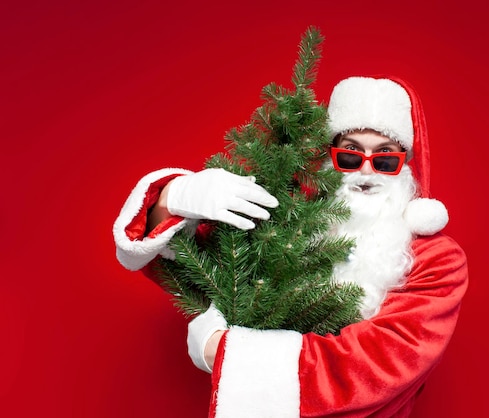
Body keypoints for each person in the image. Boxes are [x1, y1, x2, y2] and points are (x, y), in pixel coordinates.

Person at [113, 76, 468, 417]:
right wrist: (173, 198)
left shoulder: (438, 260)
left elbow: (382, 361)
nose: (365, 172)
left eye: (385, 158)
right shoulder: (292, 228)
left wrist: (224, 353)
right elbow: (192, 267)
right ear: (330, 160)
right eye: (350, 155)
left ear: (404, 164)